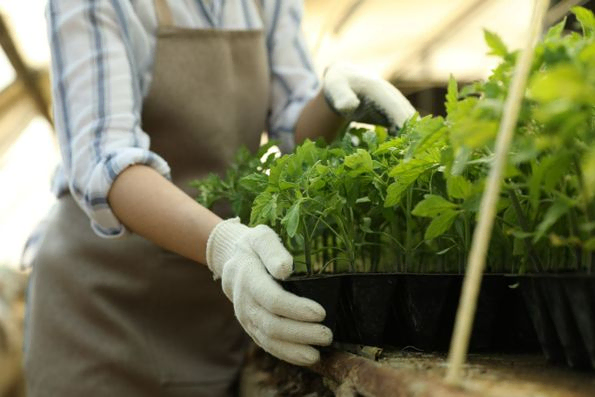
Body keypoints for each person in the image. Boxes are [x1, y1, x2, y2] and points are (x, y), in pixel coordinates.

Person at [25, 0, 415, 396]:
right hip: (101, 312)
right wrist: (227, 247)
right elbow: (106, 162)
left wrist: (334, 101)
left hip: (209, 310)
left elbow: (292, 132)